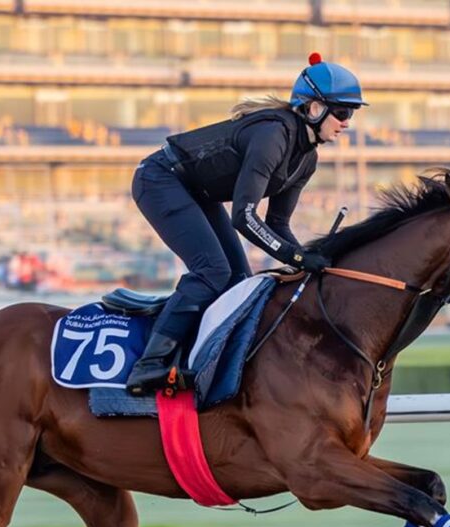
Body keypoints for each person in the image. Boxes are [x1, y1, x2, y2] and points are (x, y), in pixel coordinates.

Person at [125, 52, 368, 395]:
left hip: (195, 191)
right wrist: (297, 259)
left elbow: (278, 224)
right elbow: (244, 217)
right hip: (160, 179)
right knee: (212, 271)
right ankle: (148, 366)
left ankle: (197, 359)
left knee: (239, 281)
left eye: (351, 114)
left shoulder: (306, 160)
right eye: (342, 112)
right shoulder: (273, 135)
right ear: (314, 108)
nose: (346, 122)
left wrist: (311, 258)